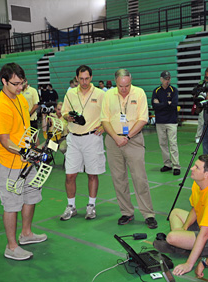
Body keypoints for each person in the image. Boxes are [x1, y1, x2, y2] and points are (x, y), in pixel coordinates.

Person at [0, 63, 47, 261]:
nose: (20, 87)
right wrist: (23, 151)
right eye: (15, 84)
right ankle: (11, 246)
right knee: (12, 203)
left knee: (31, 194)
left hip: (26, 159)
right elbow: (5, 141)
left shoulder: (20, 99)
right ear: (4, 81)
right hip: (7, 162)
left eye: (22, 83)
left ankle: (26, 234)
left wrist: (35, 146)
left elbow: (25, 126)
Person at [153, 155, 208, 276]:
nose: (192, 168)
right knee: (175, 212)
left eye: (197, 167)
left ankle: (183, 247)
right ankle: (183, 244)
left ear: (207, 175)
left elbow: (205, 234)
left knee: (171, 237)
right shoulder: (198, 183)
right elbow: (195, 209)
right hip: (203, 224)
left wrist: (189, 264)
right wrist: (184, 228)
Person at [101, 69, 158, 229]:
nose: (124, 89)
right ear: (115, 83)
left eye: (127, 85)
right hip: (113, 141)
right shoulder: (108, 95)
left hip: (133, 140)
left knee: (140, 178)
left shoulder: (139, 93)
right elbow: (104, 120)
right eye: (120, 86)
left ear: (130, 81)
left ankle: (148, 213)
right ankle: (126, 212)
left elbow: (143, 119)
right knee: (119, 179)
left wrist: (127, 137)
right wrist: (116, 137)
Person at [60, 65, 105, 221]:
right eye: (81, 79)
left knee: (92, 174)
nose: (84, 82)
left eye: (87, 78)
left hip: (92, 138)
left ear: (91, 78)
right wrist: (68, 117)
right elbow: (64, 112)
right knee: (70, 175)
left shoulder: (100, 94)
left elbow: (108, 113)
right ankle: (71, 207)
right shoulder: (70, 93)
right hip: (73, 138)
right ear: (77, 78)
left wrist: (104, 126)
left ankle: (91, 206)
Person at [152, 70, 181, 176]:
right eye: (165, 79)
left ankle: (176, 165)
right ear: (161, 79)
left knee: (173, 143)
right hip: (160, 121)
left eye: (168, 79)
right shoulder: (156, 91)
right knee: (162, 144)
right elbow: (154, 106)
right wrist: (166, 104)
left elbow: (174, 105)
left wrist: (161, 104)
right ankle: (167, 164)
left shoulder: (174, 90)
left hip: (171, 121)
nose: (167, 81)